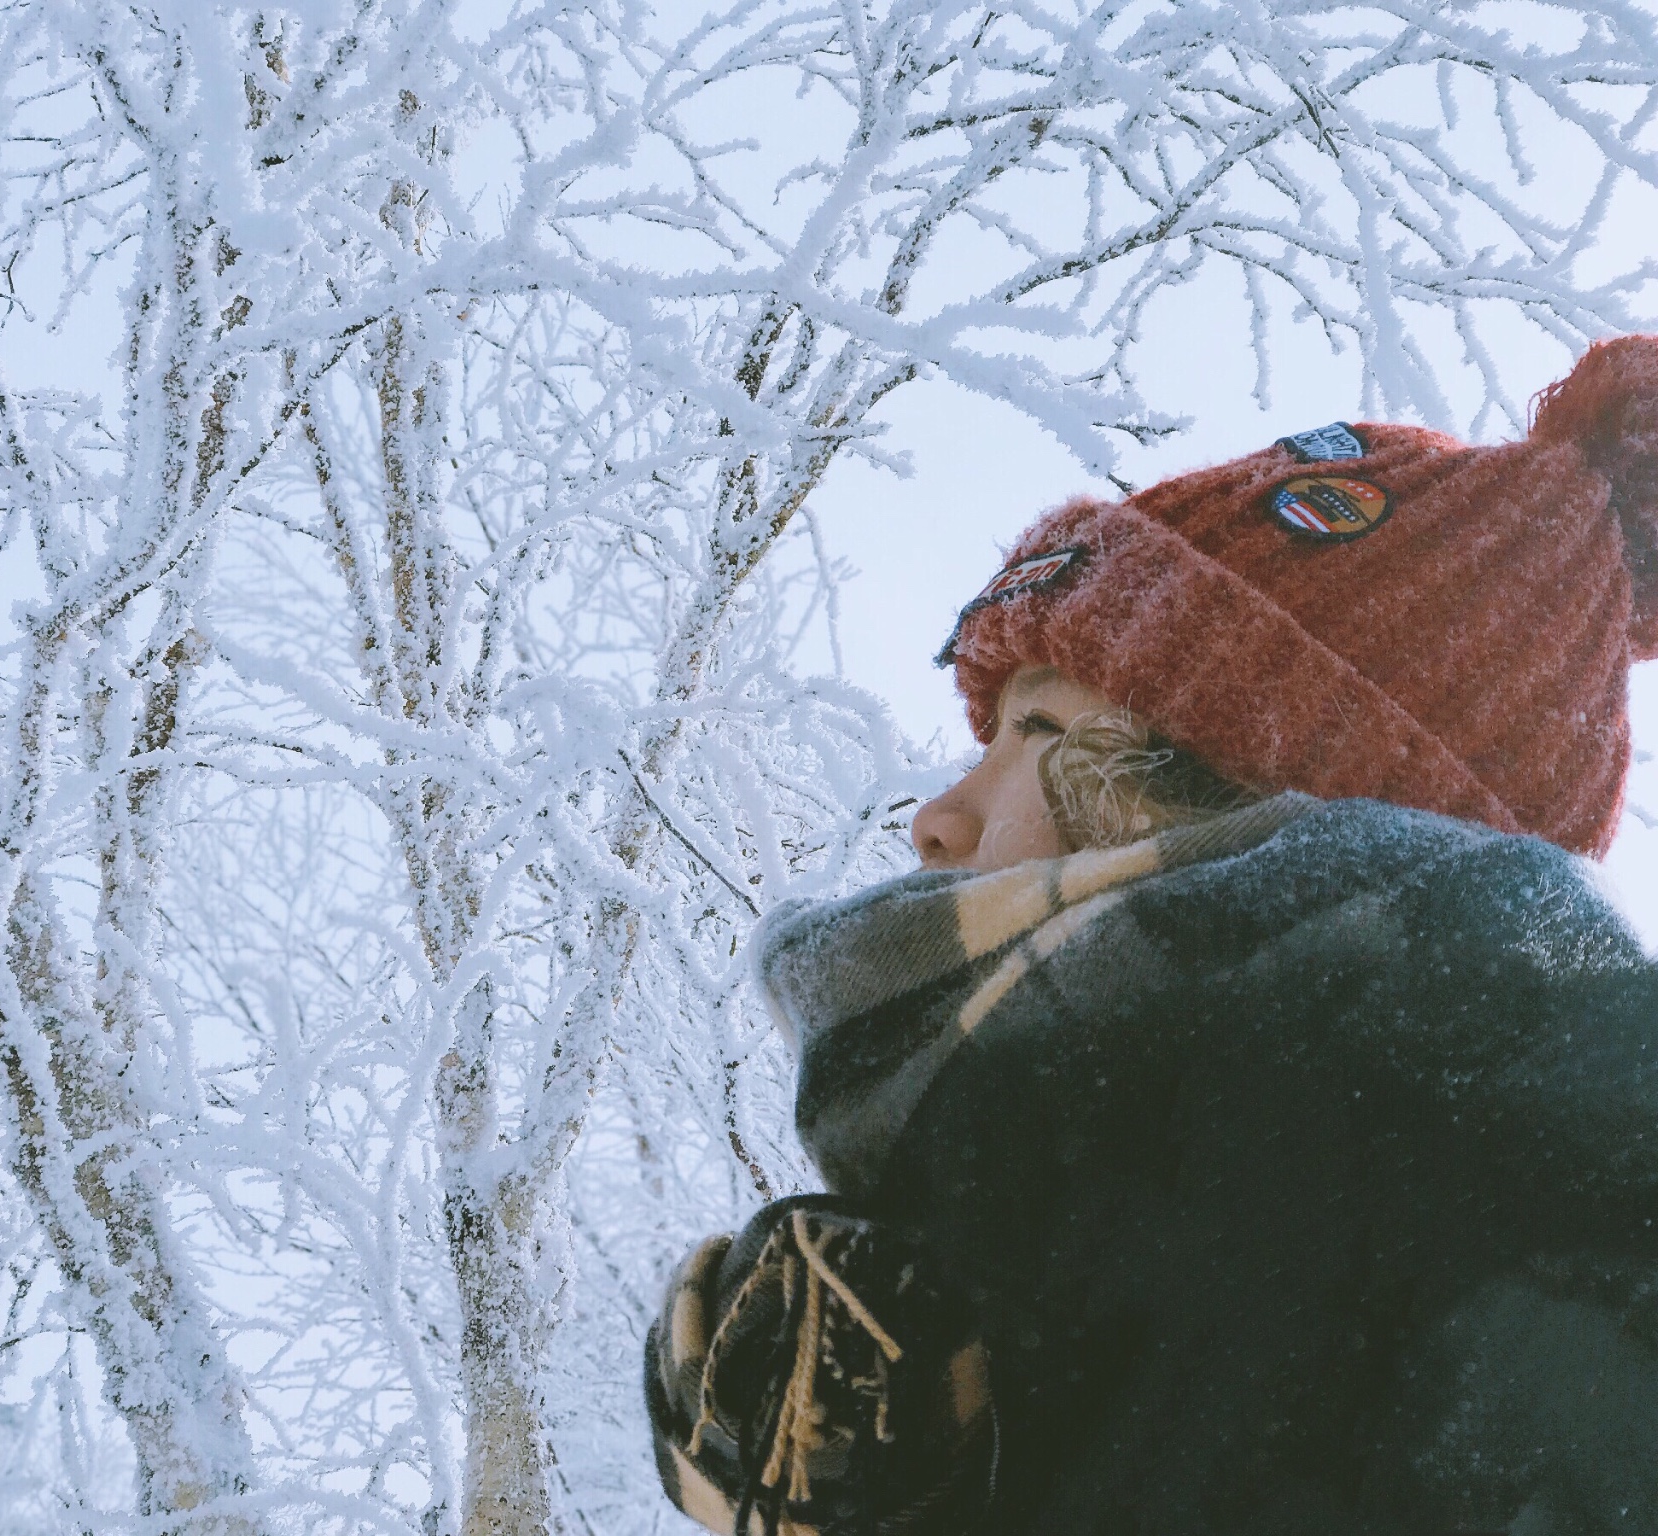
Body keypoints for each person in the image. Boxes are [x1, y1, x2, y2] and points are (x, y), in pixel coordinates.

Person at [644, 337, 1658, 1536]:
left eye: (1030, 730)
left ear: (1212, 778)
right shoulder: (1153, 1259)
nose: (935, 818)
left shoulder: (1576, 1214)